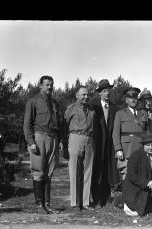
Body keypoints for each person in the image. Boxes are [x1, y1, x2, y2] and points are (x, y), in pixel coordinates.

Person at [23, 75, 63, 214]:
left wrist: (60, 140)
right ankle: (39, 205)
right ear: (40, 85)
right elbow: (27, 124)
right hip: (39, 137)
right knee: (38, 172)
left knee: (49, 173)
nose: (50, 87)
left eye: (51, 84)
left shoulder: (55, 103)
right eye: (47, 84)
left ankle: (47, 204)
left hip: (53, 138)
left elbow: (59, 124)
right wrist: (31, 142)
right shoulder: (33, 102)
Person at [64, 86, 97, 211]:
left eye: (87, 95)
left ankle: (85, 201)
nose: (86, 97)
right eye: (83, 95)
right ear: (76, 95)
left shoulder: (91, 109)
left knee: (87, 171)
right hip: (75, 137)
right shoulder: (71, 108)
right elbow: (65, 124)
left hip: (89, 139)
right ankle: (75, 202)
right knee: (74, 171)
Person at [89, 79, 119, 206]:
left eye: (109, 91)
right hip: (97, 143)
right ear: (99, 93)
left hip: (110, 144)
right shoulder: (93, 106)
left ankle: (106, 196)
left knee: (108, 169)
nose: (107, 93)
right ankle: (95, 197)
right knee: (97, 169)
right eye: (104, 91)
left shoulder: (114, 108)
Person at [122, 132, 152, 216]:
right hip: (136, 188)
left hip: (151, 187)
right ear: (143, 145)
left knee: (151, 207)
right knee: (136, 212)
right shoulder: (135, 155)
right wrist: (147, 183)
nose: (151, 147)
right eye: (148, 145)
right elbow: (132, 175)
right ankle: (121, 200)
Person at [112, 87, 146, 181]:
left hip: (140, 149)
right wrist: (118, 149)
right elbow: (115, 133)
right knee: (127, 177)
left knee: (141, 176)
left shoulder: (143, 113)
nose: (133, 99)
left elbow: (146, 132)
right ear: (126, 100)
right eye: (131, 97)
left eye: (135, 97)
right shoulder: (120, 113)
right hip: (126, 150)